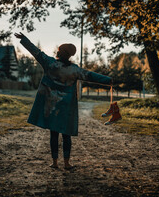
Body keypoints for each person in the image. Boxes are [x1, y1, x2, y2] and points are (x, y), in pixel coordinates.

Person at [14, 32, 115, 170]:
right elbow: (90, 75)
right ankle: (67, 163)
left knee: (54, 135)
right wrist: (108, 80)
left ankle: (55, 163)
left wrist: (24, 39)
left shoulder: (50, 63)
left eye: (59, 50)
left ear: (60, 54)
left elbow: (36, 52)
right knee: (66, 135)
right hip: (66, 108)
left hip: (51, 106)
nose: (57, 51)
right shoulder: (74, 70)